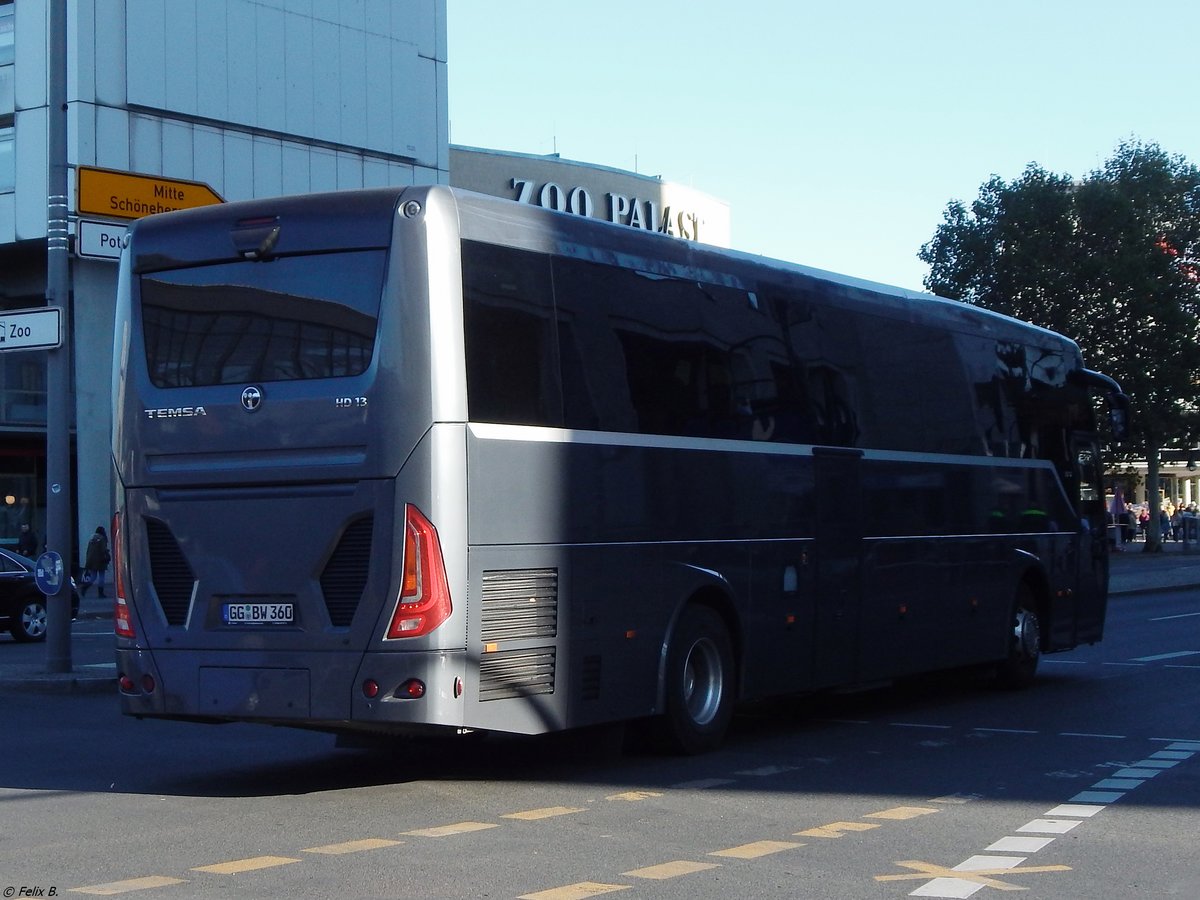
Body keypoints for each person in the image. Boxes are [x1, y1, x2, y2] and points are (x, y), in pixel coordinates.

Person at [80, 526, 110, 598]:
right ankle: (100, 593)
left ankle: (85, 587)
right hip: (100, 560)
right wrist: (107, 555)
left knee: (93, 577)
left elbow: (88, 551)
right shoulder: (102, 539)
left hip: (92, 561)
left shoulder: (92, 539)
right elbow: (103, 550)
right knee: (101, 577)